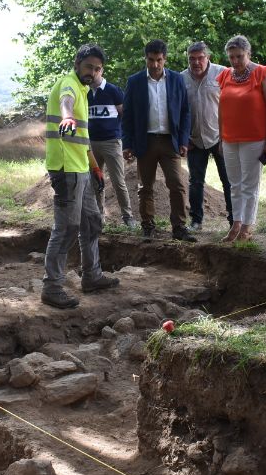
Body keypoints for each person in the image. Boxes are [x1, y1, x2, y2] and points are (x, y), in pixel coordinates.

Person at [41, 44, 120, 309]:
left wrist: (95, 166)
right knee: (66, 228)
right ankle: (52, 287)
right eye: (89, 67)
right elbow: (67, 103)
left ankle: (92, 276)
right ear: (77, 63)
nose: (93, 72)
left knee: (91, 222)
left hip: (81, 168)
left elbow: (84, 138)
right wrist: (67, 117)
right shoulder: (70, 85)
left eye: (98, 69)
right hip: (66, 169)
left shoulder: (85, 91)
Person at [121, 39, 196, 242]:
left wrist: (183, 139)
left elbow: (185, 112)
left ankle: (179, 227)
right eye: (151, 60)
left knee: (177, 185)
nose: (155, 65)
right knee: (145, 187)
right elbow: (127, 115)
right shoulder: (135, 81)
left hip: (170, 141)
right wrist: (127, 144)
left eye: (159, 60)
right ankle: (148, 226)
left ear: (165, 59)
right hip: (144, 142)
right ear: (145, 58)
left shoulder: (176, 80)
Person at [217, 35, 266, 243]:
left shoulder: (261, 73)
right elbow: (221, 110)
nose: (235, 61)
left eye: (239, 56)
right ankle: (235, 224)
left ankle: (246, 227)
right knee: (233, 184)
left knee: (249, 185)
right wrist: (220, 137)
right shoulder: (225, 75)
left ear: (249, 54)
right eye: (231, 57)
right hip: (229, 139)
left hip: (254, 139)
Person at [181, 41, 233, 232]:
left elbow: (232, 105)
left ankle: (234, 220)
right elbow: (177, 111)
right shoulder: (181, 78)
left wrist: (227, 135)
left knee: (228, 181)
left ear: (208, 57)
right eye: (191, 58)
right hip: (194, 139)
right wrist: (184, 138)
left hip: (220, 137)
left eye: (200, 58)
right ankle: (196, 221)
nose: (196, 62)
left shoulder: (223, 73)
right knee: (195, 182)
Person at [87, 66, 137, 228]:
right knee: (96, 181)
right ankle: (98, 217)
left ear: (101, 71)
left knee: (118, 182)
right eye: (90, 71)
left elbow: (125, 115)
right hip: (91, 144)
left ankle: (128, 217)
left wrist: (125, 139)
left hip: (112, 142)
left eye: (96, 70)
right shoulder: (84, 93)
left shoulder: (113, 90)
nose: (93, 74)